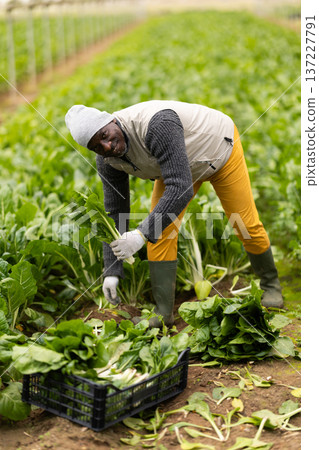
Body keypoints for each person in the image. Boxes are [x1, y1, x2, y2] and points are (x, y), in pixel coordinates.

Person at [65, 100, 283, 327]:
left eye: (104, 135)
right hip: (177, 168)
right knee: (160, 233)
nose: (106, 146)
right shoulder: (108, 160)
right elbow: (115, 209)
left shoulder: (156, 124)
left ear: (111, 120)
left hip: (219, 151)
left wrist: (140, 234)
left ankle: (271, 285)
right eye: (96, 146)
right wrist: (112, 270)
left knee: (244, 225)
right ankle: (163, 314)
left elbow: (181, 188)